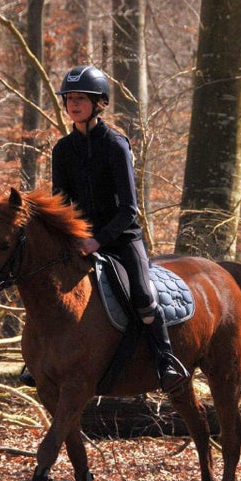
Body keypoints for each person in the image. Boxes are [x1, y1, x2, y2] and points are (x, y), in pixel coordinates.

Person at [34, 65, 189, 393]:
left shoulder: (116, 145)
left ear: (99, 103)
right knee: (49, 289)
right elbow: (63, 205)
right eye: (70, 99)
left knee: (145, 297)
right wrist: (71, 239)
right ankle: (36, 359)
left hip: (121, 237)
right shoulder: (62, 150)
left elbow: (128, 209)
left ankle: (166, 360)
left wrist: (98, 241)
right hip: (80, 241)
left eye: (81, 98)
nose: (74, 104)